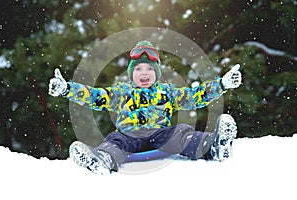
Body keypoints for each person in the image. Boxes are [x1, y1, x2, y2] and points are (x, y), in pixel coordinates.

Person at [48, 41, 242, 175]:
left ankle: (213, 146)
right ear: (132, 73)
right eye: (139, 69)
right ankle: (102, 160)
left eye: (149, 69)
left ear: (156, 73)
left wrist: (223, 84)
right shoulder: (122, 93)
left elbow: (195, 96)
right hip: (129, 136)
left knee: (182, 132)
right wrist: (66, 89)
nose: (144, 73)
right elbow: (95, 96)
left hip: (160, 136)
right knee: (114, 140)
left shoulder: (167, 92)